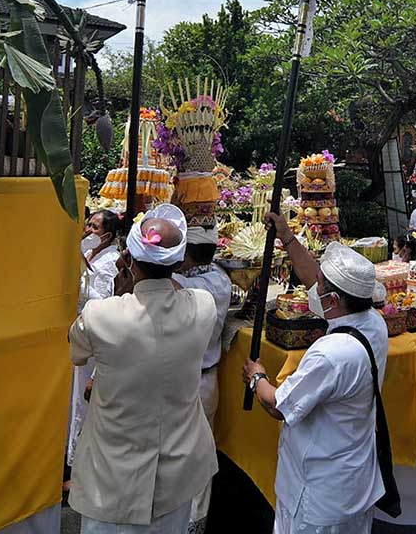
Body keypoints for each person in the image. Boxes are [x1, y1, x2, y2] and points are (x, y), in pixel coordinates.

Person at [68, 204, 217, 534]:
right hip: (175, 478)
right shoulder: (203, 307)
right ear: (179, 263)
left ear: (128, 259)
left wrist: (127, 289)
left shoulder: (100, 315)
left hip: (111, 481)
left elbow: (76, 353)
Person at [244, 216, 391, 534]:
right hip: (351, 480)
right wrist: (287, 236)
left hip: (319, 492)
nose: (314, 288)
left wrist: (258, 377)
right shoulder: (374, 323)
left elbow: (277, 405)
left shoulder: (332, 353)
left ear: (335, 300)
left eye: (322, 287)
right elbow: (313, 277)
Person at [172, 225, 232, 534]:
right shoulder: (221, 279)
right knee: (198, 452)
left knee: (180, 453)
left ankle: (186, 520)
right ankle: (195, 519)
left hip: (189, 380)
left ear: (186, 257)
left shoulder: (183, 284)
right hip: (207, 381)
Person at [67, 210, 122, 468]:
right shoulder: (91, 253)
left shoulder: (109, 262)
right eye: (88, 224)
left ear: (108, 235)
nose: (88, 230)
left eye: (95, 227)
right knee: (74, 402)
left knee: (82, 404)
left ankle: (79, 463)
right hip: (80, 335)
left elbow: (100, 305)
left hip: (93, 340)